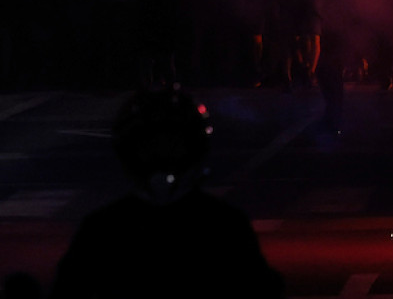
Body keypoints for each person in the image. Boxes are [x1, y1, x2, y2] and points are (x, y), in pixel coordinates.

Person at [52, 87, 283, 297]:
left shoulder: (102, 229)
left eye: (172, 145)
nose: (161, 158)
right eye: (149, 146)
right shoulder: (226, 224)